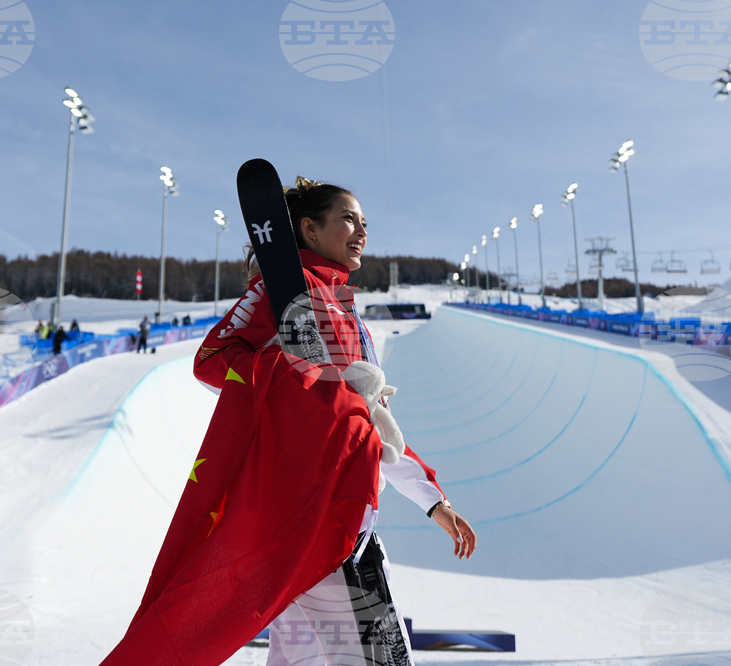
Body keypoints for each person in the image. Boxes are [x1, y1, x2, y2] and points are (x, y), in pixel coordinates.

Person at [102, 177, 476, 665]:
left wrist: (433, 500)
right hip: (325, 527)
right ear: (310, 229)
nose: (361, 231)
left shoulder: (348, 312)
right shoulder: (282, 294)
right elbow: (212, 359)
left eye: (365, 223)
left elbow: (367, 427)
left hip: (315, 530)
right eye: (347, 219)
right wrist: (304, 377)